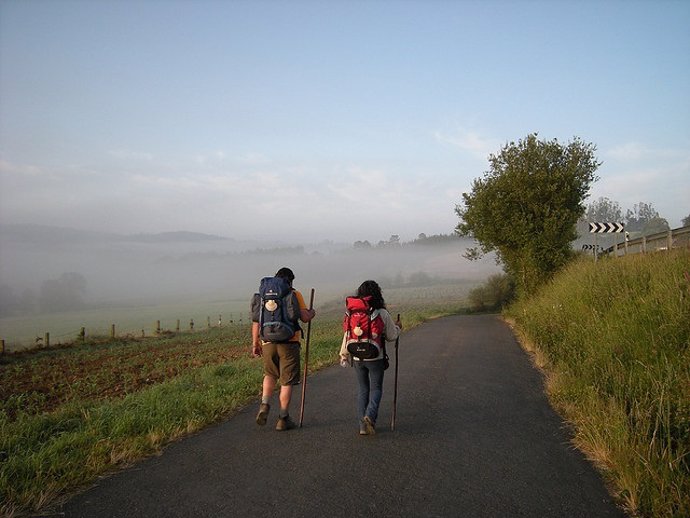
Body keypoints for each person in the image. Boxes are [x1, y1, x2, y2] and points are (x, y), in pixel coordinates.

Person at [251, 267, 316, 431]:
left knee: (270, 374)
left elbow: (256, 322)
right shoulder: (294, 294)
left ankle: (265, 404)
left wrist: (255, 344)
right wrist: (312, 312)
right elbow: (305, 318)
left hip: (267, 342)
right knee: (287, 381)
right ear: (290, 280)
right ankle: (283, 418)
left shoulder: (263, 296)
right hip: (289, 342)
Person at [340, 280, 401, 435]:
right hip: (376, 357)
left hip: (357, 357)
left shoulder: (352, 313)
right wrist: (399, 327)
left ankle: (362, 427)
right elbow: (392, 336)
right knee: (376, 388)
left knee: (362, 389)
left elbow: (347, 335)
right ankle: (370, 416)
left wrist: (344, 354)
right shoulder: (381, 312)